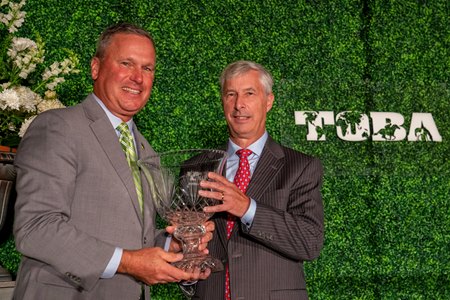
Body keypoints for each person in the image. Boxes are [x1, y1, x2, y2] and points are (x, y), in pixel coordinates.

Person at [12, 22, 211, 300]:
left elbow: (133, 239)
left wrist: (171, 244)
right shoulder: (57, 126)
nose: (137, 78)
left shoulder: (144, 146)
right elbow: (36, 228)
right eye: (126, 63)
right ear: (95, 68)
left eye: (147, 68)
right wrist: (130, 262)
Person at [191, 60, 324, 299]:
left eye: (249, 93)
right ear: (222, 101)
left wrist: (247, 208)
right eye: (231, 94)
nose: (239, 104)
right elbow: (186, 243)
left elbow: (309, 242)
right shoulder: (196, 167)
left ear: (268, 101)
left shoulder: (300, 167)